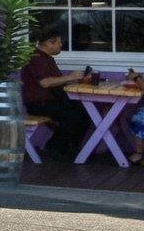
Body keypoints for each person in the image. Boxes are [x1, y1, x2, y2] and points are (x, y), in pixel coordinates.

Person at [20, 28, 91, 160]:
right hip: (38, 103)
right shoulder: (37, 59)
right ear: (48, 43)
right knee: (74, 115)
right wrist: (70, 77)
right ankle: (55, 148)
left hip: (52, 100)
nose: (61, 45)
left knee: (84, 112)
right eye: (58, 42)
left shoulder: (47, 59)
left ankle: (69, 149)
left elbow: (56, 81)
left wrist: (76, 80)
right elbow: (45, 82)